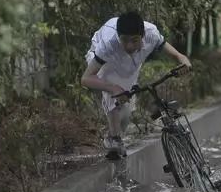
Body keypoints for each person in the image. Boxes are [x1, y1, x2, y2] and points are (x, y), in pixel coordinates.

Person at [81, 11, 192, 159]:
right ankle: (113, 139)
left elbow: (168, 49)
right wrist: (113, 88)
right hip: (105, 62)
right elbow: (86, 78)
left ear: (143, 35)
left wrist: (181, 58)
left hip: (130, 65)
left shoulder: (151, 33)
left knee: (125, 112)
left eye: (134, 40)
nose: (129, 45)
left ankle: (114, 135)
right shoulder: (108, 45)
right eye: (124, 40)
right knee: (113, 92)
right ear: (118, 37)